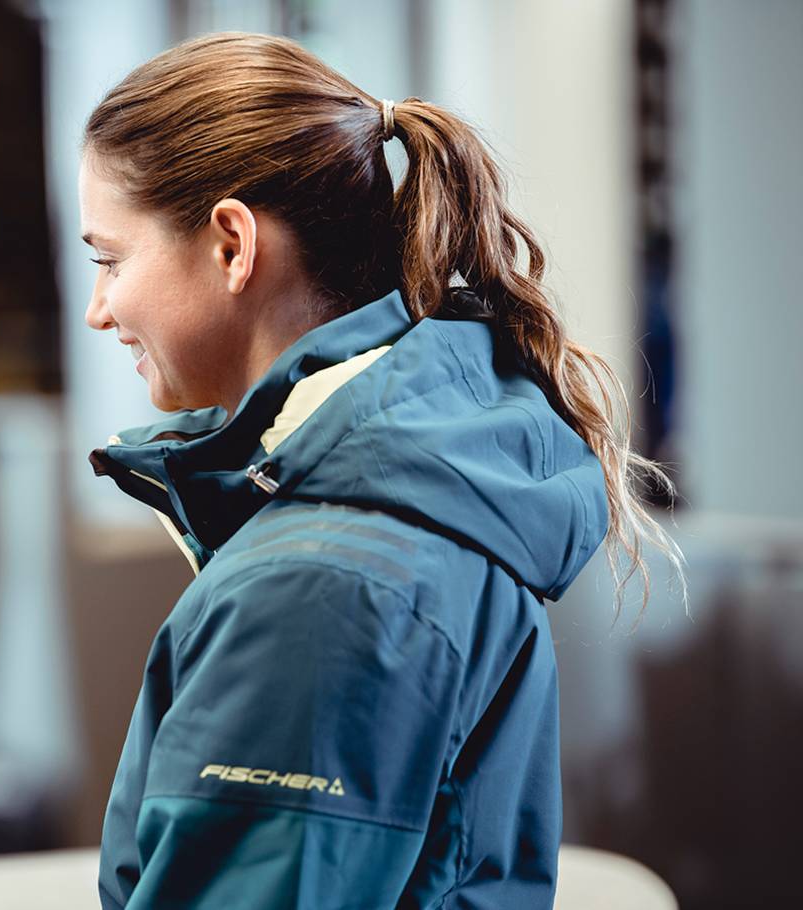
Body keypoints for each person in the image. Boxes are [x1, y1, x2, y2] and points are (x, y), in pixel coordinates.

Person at [77, 34, 679, 908]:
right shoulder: (405, 496)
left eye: (110, 259)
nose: (100, 310)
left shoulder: (320, 583)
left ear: (232, 246)